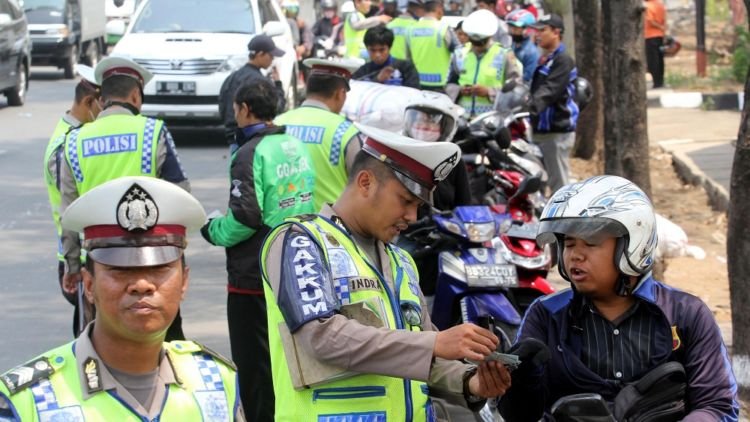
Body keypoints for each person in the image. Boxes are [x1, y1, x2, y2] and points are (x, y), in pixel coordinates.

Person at [259, 123, 512, 420]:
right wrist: (435, 342)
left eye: (418, 206)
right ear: (365, 182)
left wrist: (470, 381)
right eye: (405, 200)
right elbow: (321, 336)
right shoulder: (300, 241)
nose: (412, 216)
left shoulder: (402, 261)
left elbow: (419, 356)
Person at [0, 177, 244, 421]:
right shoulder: (29, 401)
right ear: (88, 284)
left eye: (159, 268)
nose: (141, 285)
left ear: (184, 282)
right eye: (121, 269)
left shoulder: (216, 381)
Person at [498, 175, 740, 421]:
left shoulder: (685, 313)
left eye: (590, 243)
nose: (575, 256)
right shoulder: (546, 315)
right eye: (569, 244)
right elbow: (519, 415)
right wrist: (521, 378)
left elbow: (716, 405)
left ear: (633, 243)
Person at [201, 78, 315, 421]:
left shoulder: (248, 153)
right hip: (295, 263)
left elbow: (245, 218)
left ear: (245, 109)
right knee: (285, 361)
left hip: (253, 275)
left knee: (254, 368)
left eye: (235, 108)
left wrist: (211, 229)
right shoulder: (294, 144)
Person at [58, 57, 191, 341]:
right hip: (151, 257)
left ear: (101, 98)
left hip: (100, 261)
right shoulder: (153, 132)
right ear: (134, 95)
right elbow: (180, 192)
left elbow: (67, 213)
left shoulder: (72, 141)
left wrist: (72, 266)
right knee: (161, 343)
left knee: (99, 344)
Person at [43, 64, 101, 336]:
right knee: (89, 337)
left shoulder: (75, 135)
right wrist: (73, 263)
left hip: (82, 252)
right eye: (104, 105)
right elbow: (71, 207)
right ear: (89, 102)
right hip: (74, 253)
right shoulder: (67, 143)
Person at [400, 92, 472, 296]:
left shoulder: (454, 159)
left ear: (446, 128)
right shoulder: (400, 154)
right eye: (420, 119)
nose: (425, 126)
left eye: (433, 122)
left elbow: (464, 206)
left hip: (444, 238)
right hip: (406, 235)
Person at [274, 59, 363, 210]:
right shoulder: (344, 131)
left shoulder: (277, 124)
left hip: (280, 227)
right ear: (340, 94)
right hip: (329, 229)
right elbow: (363, 185)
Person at [528, 13, 578, 192]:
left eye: (543, 30)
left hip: (556, 132)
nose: (538, 34)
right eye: (536, 30)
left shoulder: (563, 60)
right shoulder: (545, 59)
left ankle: (566, 220)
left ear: (556, 32)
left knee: (560, 187)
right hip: (540, 131)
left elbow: (550, 90)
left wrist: (530, 107)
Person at [219, 34, 287, 149]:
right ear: (260, 54)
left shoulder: (232, 77)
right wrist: (278, 84)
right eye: (271, 56)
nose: (272, 59)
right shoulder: (260, 82)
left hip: (233, 138)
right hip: (253, 140)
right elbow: (277, 108)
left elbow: (222, 106)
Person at [449, 9, 519, 117]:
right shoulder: (459, 53)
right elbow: (448, 84)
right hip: (462, 118)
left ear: (490, 36)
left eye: (481, 43)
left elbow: (516, 89)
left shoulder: (504, 54)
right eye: (474, 42)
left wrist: (489, 92)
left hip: (492, 119)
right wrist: (459, 90)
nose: (477, 47)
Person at [407, 0, 460, 91]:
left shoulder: (411, 29)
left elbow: (407, 56)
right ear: (439, 10)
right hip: (440, 83)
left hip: (416, 82)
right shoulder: (443, 28)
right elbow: (459, 52)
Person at [352, 26, 420, 88]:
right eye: (373, 50)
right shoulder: (363, 72)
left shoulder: (406, 67)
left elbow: (414, 92)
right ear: (367, 49)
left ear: (389, 48)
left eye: (382, 50)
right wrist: (377, 80)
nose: (377, 55)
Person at [506, 8, 539, 83]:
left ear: (526, 29)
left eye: (516, 28)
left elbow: (528, 78)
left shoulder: (530, 52)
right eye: (512, 28)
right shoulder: (514, 45)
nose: (513, 31)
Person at [645, 0, 667, 88]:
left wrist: (659, 27)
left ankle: (656, 82)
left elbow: (650, 21)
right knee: (660, 58)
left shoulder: (648, 6)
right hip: (660, 35)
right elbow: (664, 19)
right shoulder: (660, 5)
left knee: (652, 60)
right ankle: (660, 81)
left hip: (650, 36)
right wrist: (662, 29)